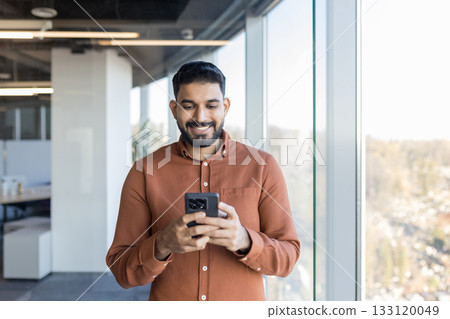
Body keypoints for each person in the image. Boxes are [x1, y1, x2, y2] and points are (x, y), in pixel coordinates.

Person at [106, 61, 300, 301]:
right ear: (174, 109)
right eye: (189, 106)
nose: (200, 117)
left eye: (211, 105)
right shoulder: (144, 172)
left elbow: (288, 259)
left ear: (225, 107)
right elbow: (122, 272)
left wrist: (244, 240)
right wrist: (162, 244)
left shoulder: (262, 167)